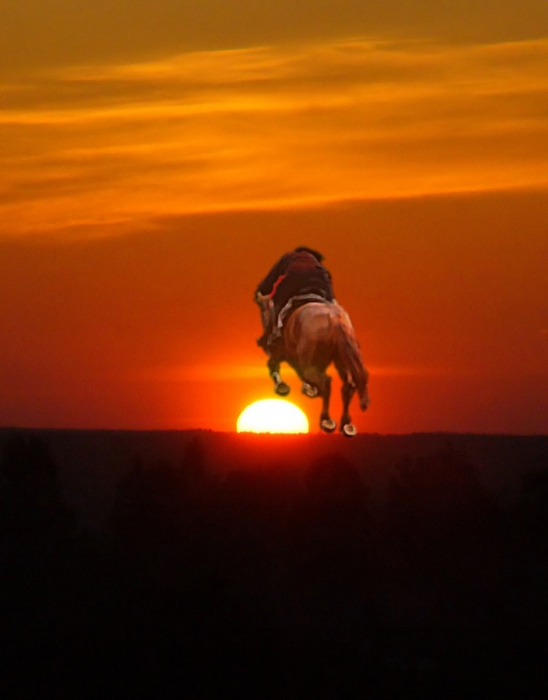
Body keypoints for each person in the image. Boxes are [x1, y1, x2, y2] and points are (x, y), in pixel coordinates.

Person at [254, 246, 335, 350]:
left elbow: (271, 277)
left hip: (293, 283)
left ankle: (275, 335)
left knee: (276, 304)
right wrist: (331, 300)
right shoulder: (319, 266)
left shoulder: (288, 257)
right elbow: (327, 283)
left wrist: (262, 289)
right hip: (320, 286)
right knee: (334, 311)